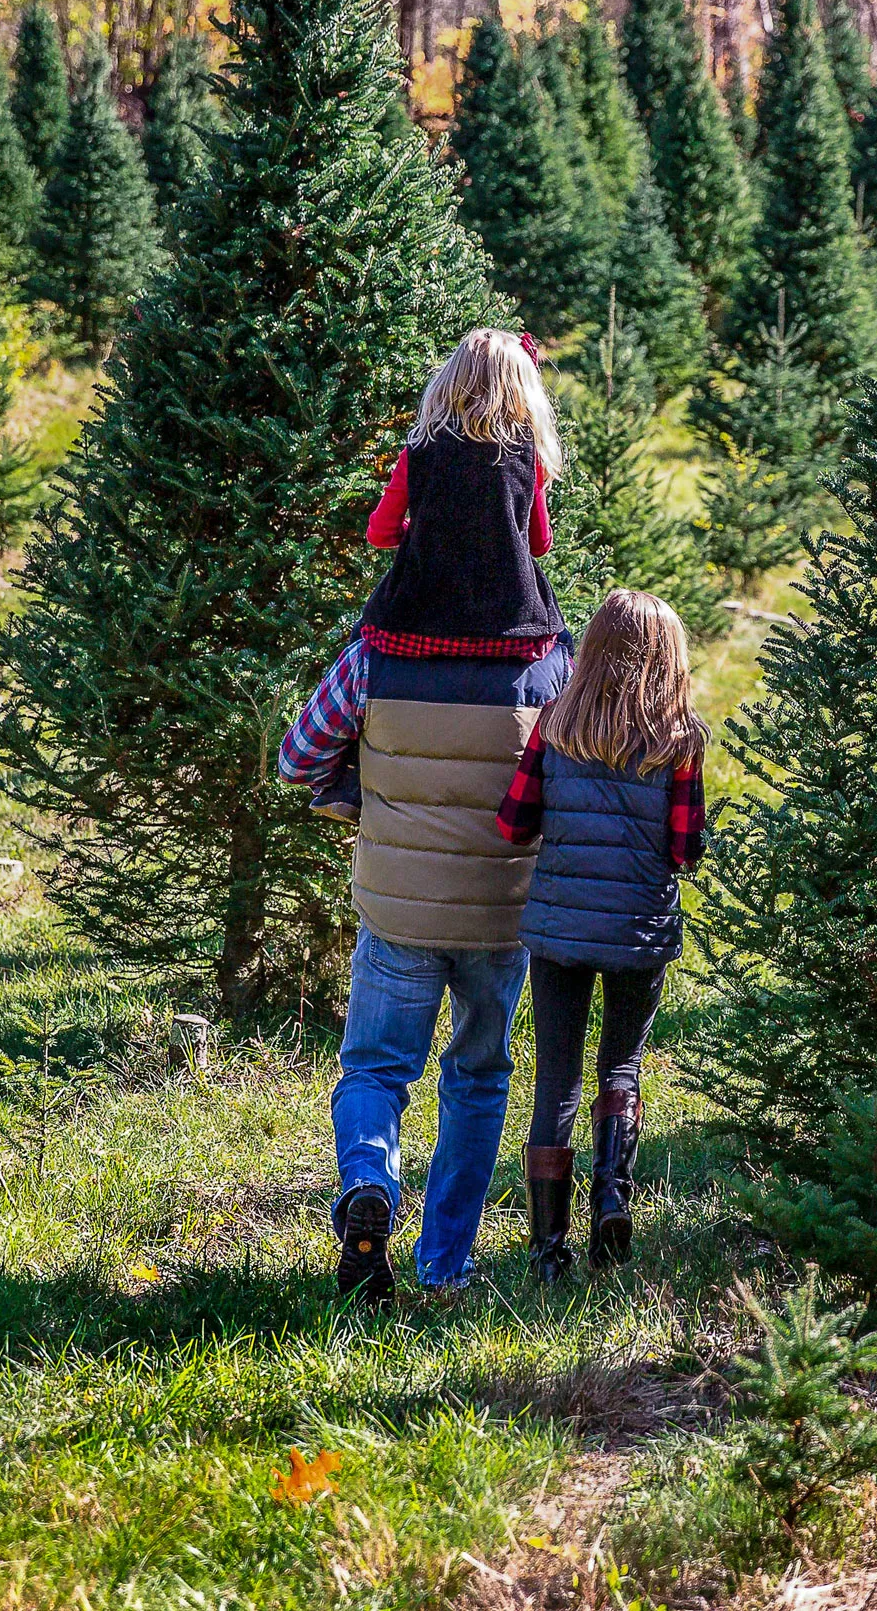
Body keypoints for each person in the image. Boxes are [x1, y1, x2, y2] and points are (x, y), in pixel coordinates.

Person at [278, 328, 571, 1304]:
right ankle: (447, 1264)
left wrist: (351, 787)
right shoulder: (547, 663)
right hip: (501, 911)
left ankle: (368, 1184)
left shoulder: (378, 650)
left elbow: (297, 752)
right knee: (479, 1078)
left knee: (374, 1064)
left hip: (398, 907)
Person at [494, 590, 707, 1279]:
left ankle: (547, 1251)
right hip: (639, 930)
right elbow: (683, 850)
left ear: (592, 651)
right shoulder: (680, 740)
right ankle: (612, 1194)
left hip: (557, 929)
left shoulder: (555, 722)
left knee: (554, 1078)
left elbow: (513, 822)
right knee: (621, 1066)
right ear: (668, 660)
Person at [305, 328, 566, 821]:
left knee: (363, 647)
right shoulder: (525, 455)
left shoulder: (420, 449)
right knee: (564, 647)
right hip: (510, 630)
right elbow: (539, 544)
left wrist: (421, 530)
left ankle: (345, 780)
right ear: (522, 388)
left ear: (450, 381)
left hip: (415, 624)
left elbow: (380, 533)